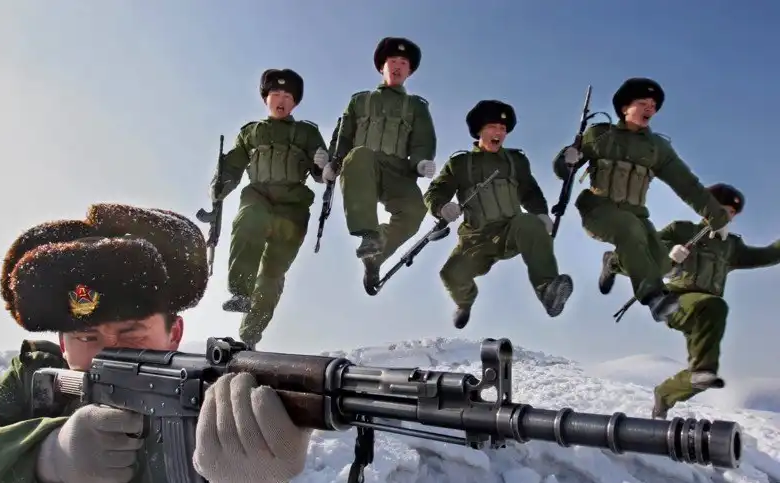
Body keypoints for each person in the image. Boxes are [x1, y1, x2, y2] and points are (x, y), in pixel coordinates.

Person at [0, 203, 310, 483]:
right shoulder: (29, 380)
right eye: (86, 336)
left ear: (174, 334)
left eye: (132, 332)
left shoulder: (207, 402)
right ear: (63, 344)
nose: (108, 351)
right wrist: (48, 459)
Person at [552, 77, 731, 323]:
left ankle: (613, 262)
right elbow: (564, 171)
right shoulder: (600, 135)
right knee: (629, 229)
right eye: (643, 103)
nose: (650, 109)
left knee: (662, 264)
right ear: (625, 107)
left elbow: (687, 184)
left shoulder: (657, 148)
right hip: (598, 210)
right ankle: (654, 297)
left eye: (654, 106)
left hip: (636, 215)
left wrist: (717, 217)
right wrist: (567, 158)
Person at [599, 184, 780, 419]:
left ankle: (665, 395)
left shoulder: (731, 246)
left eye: (731, 213)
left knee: (702, 376)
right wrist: (669, 253)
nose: (727, 217)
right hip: (674, 301)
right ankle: (612, 262)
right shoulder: (682, 230)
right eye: (722, 210)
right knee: (711, 306)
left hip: (706, 311)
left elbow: (767, 255)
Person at [423, 100, 574, 329]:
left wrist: (541, 214)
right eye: (493, 127)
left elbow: (530, 192)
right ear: (479, 130)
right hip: (476, 241)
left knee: (530, 222)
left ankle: (547, 290)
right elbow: (436, 191)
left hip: (510, 231)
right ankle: (464, 302)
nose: (499, 133)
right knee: (450, 274)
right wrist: (441, 207)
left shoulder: (516, 161)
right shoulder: (459, 164)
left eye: (503, 128)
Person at [212, 68, 329, 348]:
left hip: (293, 208)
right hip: (259, 196)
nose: (281, 100)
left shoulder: (307, 132)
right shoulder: (252, 133)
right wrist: (219, 185)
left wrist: (324, 166)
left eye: (288, 96)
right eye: (275, 94)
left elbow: (320, 172)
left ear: (295, 103)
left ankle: (250, 335)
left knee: (272, 275)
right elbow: (233, 166)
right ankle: (240, 292)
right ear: (265, 97)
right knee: (248, 221)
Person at [323, 36, 438, 294]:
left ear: (410, 71)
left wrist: (421, 163)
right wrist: (333, 162)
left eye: (404, 63)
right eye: (392, 61)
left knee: (415, 210)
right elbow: (343, 135)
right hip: (363, 167)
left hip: (398, 171)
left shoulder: (416, 107)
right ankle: (368, 234)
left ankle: (375, 258)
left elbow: (423, 141)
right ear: (381, 67)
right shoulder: (360, 101)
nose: (397, 66)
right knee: (360, 154)